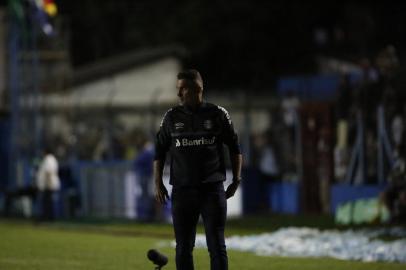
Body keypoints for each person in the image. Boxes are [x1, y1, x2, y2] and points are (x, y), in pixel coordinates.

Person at [154, 69, 243, 270]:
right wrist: (157, 182)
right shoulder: (171, 117)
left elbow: (235, 148)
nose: (178, 94)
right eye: (178, 89)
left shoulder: (218, 114)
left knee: (216, 245)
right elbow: (159, 151)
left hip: (212, 190)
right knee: (184, 247)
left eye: (182, 89)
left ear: (198, 89)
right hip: (182, 191)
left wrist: (236, 179)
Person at [133, 133, 155, 221]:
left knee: (145, 196)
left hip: (146, 176)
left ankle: (146, 215)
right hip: (144, 176)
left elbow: (137, 163)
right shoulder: (146, 153)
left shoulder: (147, 153)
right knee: (144, 196)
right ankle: (144, 215)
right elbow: (137, 163)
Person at [36, 147, 61, 221]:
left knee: (48, 202)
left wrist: (48, 184)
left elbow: (48, 172)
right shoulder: (51, 159)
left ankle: (48, 217)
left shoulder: (49, 159)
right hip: (49, 184)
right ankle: (48, 217)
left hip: (49, 184)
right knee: (47, 202)